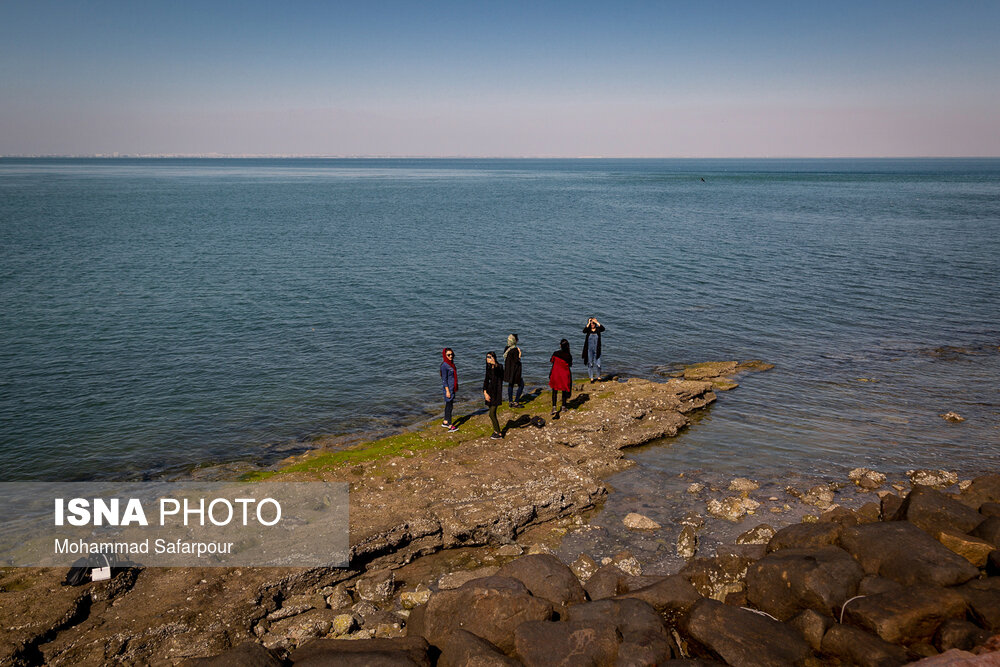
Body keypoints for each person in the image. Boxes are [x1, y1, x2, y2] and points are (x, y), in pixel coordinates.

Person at [548, 339, 573, 419]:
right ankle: (563, 406)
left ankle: (554, 408)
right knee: (564, 391)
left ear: (560, 345)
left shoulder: (556, 353)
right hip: (564, 375)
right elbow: (570, 365)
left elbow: (551, 361)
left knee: (554, 391)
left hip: (555, 373)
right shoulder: (568, 356)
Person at [483, 351, 504, 439]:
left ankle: (499, 433)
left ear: (494, 358)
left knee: (491, 413)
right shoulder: (488, 367)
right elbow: (486, 380)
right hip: (489, 392)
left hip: (496, 394)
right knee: (493, 414)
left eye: (490, 357)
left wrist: (494, 363)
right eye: (487, 357)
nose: (488, 358)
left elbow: (500, 375)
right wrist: (485, 392)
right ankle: (496, 431)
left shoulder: (499, 367)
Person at [503, 333, 524, 408]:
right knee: (521, 385)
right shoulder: (515, 350)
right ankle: (516, 402)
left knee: (510, 385)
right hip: (515, 371)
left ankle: (510, 401)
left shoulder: (506, 348)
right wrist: (520, 354)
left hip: (508, 371)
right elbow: (516, 361)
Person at [582, 317, 606, 383]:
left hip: (597, 349)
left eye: (593, 323)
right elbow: (584, 331)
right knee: (590, 363)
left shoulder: (598, 330)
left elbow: (603, 329)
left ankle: (598, 377)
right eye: (591, 323)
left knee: (598, 364)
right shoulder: (588, 330)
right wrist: (589, 322)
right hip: (589, 349)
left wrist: (597, 322)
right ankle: (591, 378)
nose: (592, 324)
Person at [440, 348, 458, 431]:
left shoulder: (451, 364)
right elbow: (444, 379)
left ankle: (445, 421)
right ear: (445, 355)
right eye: (448, 355)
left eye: (452, 354)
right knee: (450, 407)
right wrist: (447, 391)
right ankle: (450, 425)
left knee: (448, 405)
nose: (451, 356)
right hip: (448, 389)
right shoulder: (444, 365)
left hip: (452, 387)